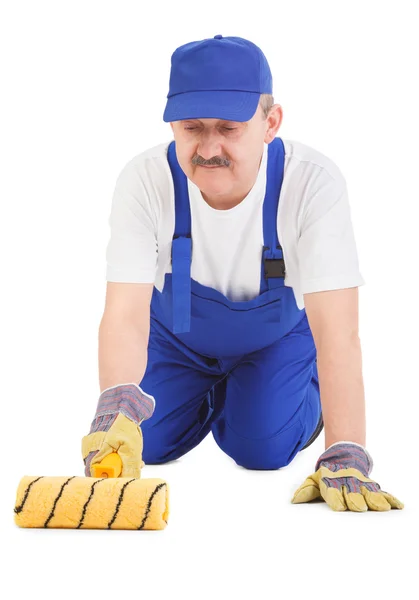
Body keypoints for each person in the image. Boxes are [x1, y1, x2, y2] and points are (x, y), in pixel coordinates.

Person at [82, 35, 404, 512]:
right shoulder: (144, 180)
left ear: (269, 123)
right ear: (172, 123)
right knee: (145, 442)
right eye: (192, 127)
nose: (209, 147)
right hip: (175, 339)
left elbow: (339, 333)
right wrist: (116, 406)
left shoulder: (312, 183)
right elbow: (125, 314)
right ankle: (211, 397)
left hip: (275, 342)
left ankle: (293, 393)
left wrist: (346, 450)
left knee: (262, 451)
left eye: (229, 128)